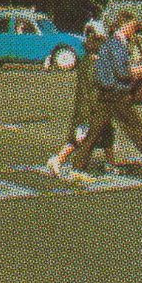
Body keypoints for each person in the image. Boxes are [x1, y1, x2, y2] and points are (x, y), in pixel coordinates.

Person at [68, 11, 142, 178]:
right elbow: (123, 73)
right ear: (125, 26)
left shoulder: (109, 43)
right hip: (117, 95)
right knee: (135, 129)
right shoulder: (118, 44)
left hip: (105, 94)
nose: (134, 30)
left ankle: (77, 168)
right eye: (133, 27)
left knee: (94, 132)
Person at [49, 28, 118, 176]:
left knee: (107, 133)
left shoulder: (86, 61)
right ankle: (58, 160)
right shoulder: (94, 65)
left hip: (91, 106)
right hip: (90, 108)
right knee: (80, 138)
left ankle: (110, 163)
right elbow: (95, 90)